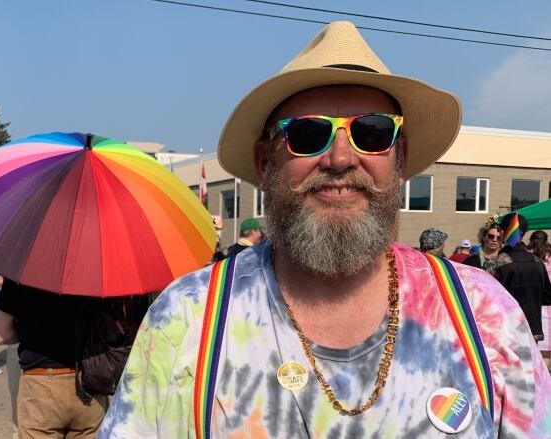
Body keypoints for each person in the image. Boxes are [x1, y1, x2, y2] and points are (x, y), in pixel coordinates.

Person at [98, 21, 550, 438]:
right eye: (307, 134)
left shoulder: (483, 314)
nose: (339, 159)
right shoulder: (187, 319)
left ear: (401, 159)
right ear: (264, 163)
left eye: (371, 133)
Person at [0, 281, 107, 439]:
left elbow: (1, 334)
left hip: (41, 386)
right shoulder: (97, 274)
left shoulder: (20, 273)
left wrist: (30, 337)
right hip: (90, 381)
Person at [493, 213, 551, 343]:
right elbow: (548, 297)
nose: (498, 233)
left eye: (499, 230)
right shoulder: (537, 262)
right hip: (532, 329)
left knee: (511, 364)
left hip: (506, 330)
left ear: (505, 232)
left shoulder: (497, 263)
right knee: (530, 363)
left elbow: (487, 299)